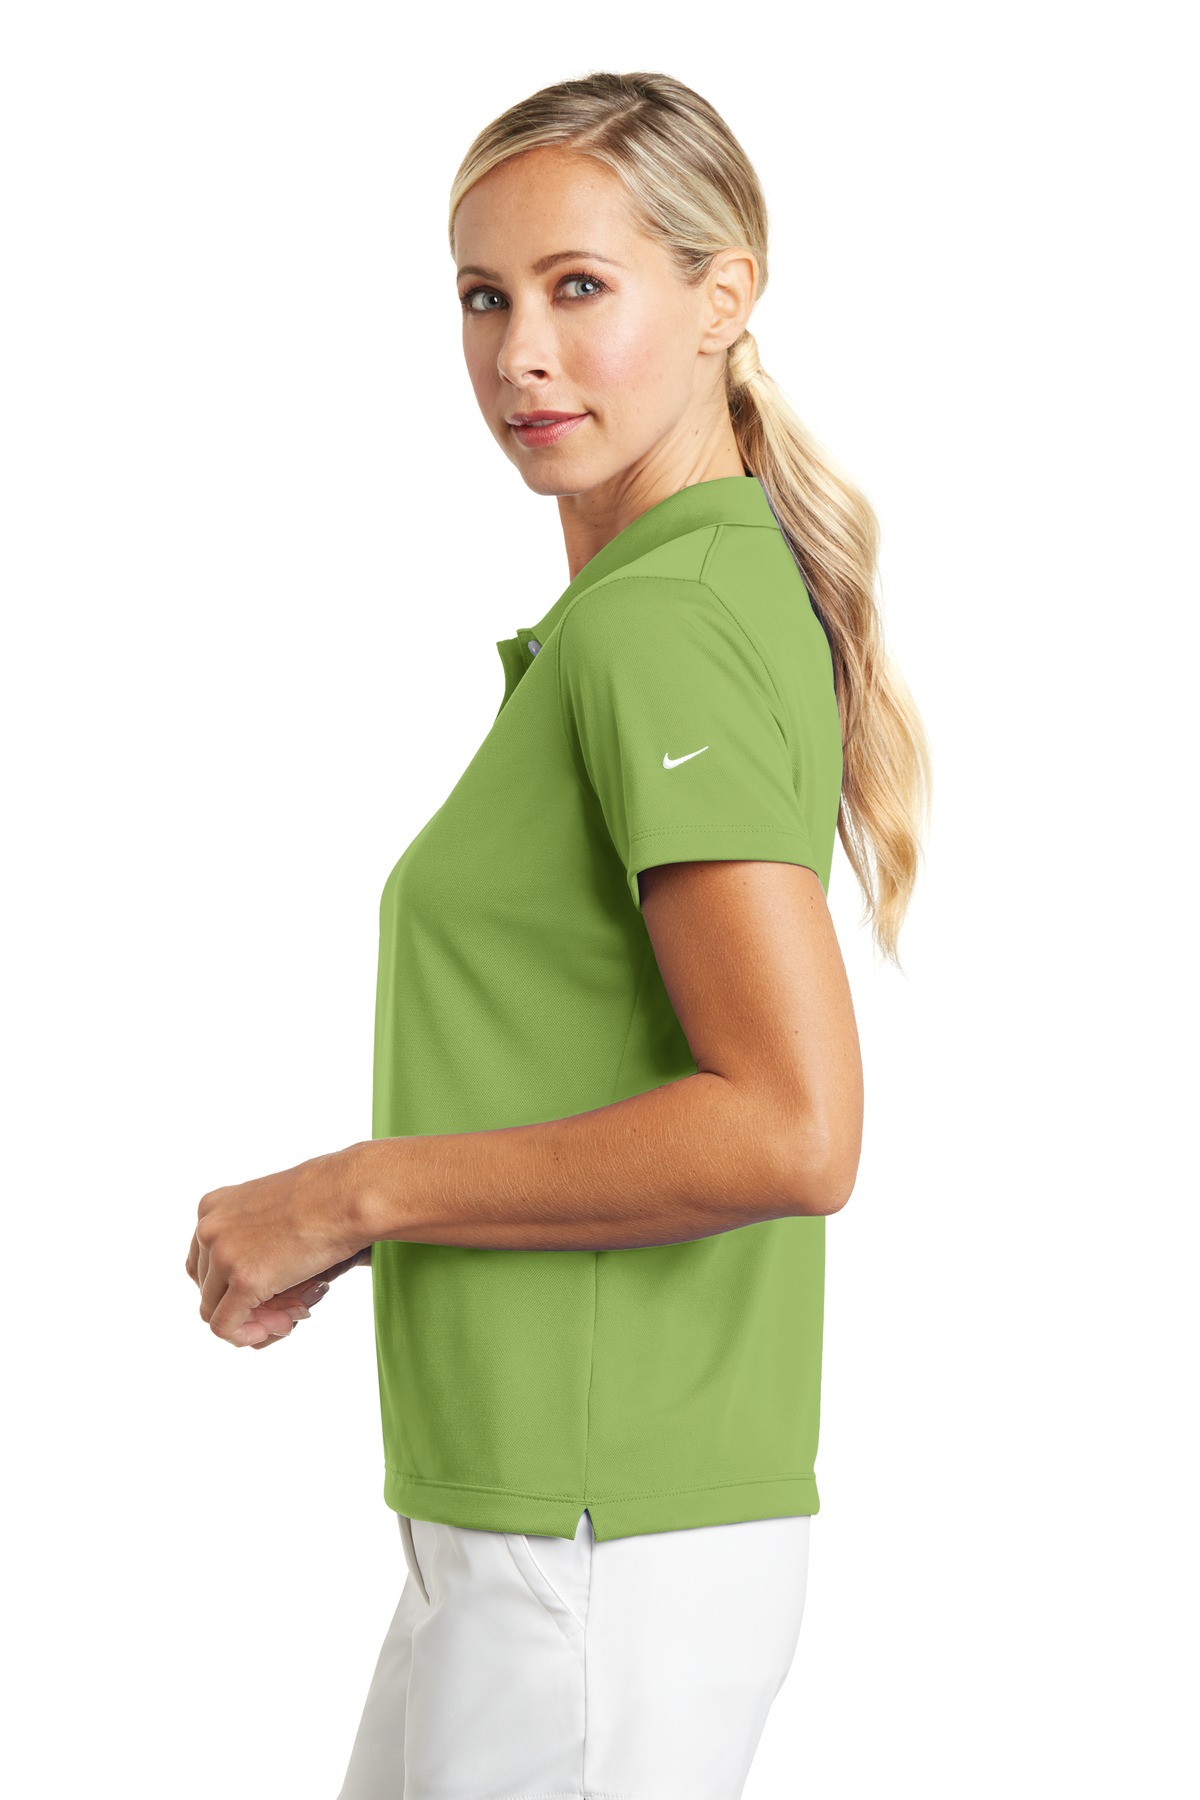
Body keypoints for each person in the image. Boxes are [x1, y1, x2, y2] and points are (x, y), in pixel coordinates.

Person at [186, 69, 931, 1800]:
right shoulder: (656, 607)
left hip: (601, 1538)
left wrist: (351, 1195)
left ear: (724, 296)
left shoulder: (662, 629)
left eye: (579, 287)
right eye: (483, 296)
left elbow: (793, 1128)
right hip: (543, 1517)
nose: (521, 353)